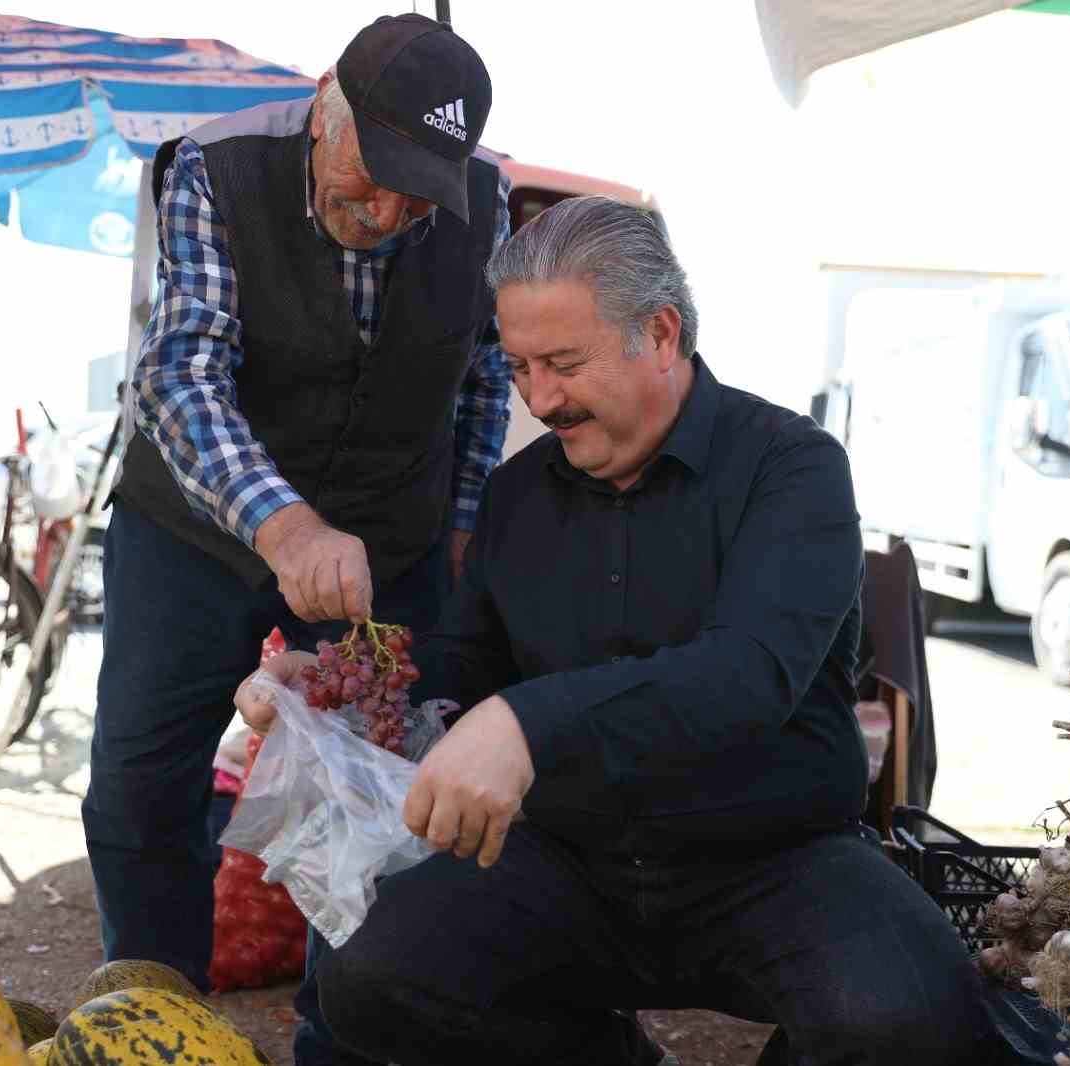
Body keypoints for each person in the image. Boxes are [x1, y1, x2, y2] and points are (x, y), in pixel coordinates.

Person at [236, 196, 992, 1065]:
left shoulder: (792, 467)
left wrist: (529, 725)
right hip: (567, 859)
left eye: (563, 362)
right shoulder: (518, 494)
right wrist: (332, 689)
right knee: (370, 978)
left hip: (772, 859)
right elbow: (464, 666)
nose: (540, 398)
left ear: (661, 334)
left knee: (909, 1015)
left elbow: (749, 672)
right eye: (519, 366)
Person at [85, 13, 509, 1065]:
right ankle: (155, 1025)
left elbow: (486, 378)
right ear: (325, 103)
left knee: (379, 799)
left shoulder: (488, 202)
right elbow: (180, 376)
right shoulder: (215, 172)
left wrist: (460, 528)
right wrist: (286, 523)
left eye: (418, 188)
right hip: (196, 527)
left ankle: (342, 1036)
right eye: (370, 176)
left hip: (396, 536)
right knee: (140, 784)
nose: (387, 210)